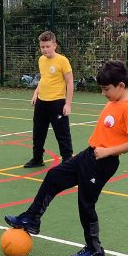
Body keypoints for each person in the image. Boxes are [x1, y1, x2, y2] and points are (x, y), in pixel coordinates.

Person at [5, 60, 128, 256]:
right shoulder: (113, 102)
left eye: (106, 89)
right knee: (54, 175)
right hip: (89, 154)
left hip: (104, 162)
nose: (103, 93)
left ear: (121, 86)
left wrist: (108, 151)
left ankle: (95, 250)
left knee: (86, 204)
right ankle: (32, 218)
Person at [23, 31, 74, 168]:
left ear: (54, 45)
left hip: (57, 103)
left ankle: (67, 161)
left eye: (47, 46)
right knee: (38, 132)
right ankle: (37, 159)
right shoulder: (41, 60)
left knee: (62, 134)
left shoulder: (63, 61)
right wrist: (35, 94)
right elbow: (43, 79)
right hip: (41, 102)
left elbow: (70, 82)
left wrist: (68, 104)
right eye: (42, 47)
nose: (45, 49)